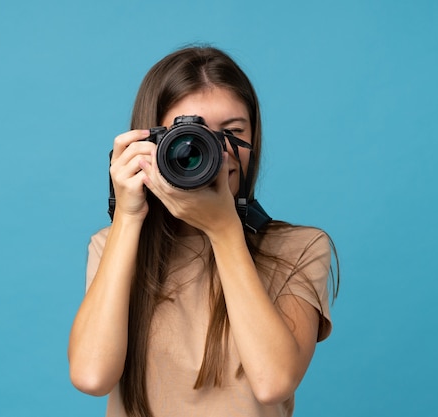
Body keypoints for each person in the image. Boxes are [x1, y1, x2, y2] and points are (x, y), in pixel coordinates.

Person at [68, 46, 339, 417]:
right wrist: (127, 217)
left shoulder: (300, 248)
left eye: (232, 132)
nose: (216, 152)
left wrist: (225, 230)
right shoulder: (114, 245)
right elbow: (91, 376)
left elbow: (274, 382)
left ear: (254, 140)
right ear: (150, 141)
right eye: (191, 135)